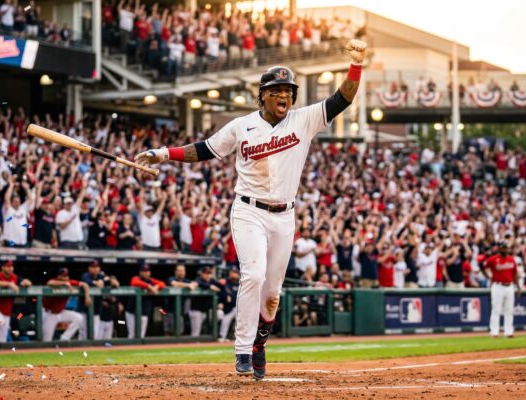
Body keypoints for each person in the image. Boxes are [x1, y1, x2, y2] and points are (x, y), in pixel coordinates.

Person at [135, 38, 367, 379]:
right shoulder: (241, 126)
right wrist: (164, 153)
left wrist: (356, 65)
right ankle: (242, 350)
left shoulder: (303, 120)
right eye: (276, 91)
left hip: (284, 216)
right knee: (253, 275)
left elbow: (343, 98)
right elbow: (205, 150)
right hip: (248, 211)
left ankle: (259, 344)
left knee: (272, 295)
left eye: (288, 90)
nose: (284, 96)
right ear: (263, 95)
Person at [483, 242, 521, 338]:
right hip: (498, 286)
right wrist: (488, 277)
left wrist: (518, 286)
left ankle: (508, 332)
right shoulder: (493, 259)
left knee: (509, 310)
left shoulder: (511, 259)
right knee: (496, 310)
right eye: (503, 248)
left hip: (509, 286)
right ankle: (494, 332)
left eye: (506, 248)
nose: (504, 249)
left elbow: (515, 273)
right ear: (499, 249)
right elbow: (484, 267)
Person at [0, 260, 32, 343]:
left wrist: (26, 283)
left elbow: (28, 283)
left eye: (11, 266)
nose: (10, 268)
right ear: (3, 267)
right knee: (1, 323)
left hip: (7, 311)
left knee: (3, 337)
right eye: (7, 266)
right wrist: (9, 284)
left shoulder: (14, 277)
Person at [42, 267, 89, 342]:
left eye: (66, 276)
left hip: (61, 312)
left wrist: (87, 296)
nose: (65, 277)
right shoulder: (55, 281)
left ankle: (64, 338)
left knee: (79, 318)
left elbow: (84, 284)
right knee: (46, 340)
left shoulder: (70, 282)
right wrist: (64, 283)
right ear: (59, 276)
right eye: (63, 276)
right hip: (49, 314)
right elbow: (50, 283)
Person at [79, 260, 119, 339]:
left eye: (97, 267)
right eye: (93, 267)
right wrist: (95, 283)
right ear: (89, 268)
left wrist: (111, 281)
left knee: (95, 336)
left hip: (96, 312)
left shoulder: (101, 276)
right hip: (84, 311)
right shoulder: (86, 275)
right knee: (83, 334)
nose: (95, 269)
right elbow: (86, 281)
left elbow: (114, 283)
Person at [126, 263, 164, 338]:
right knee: (132, 335)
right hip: (132, 312)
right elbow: (134, 282)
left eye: (147, 271)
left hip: (144, 312)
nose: (146, 273)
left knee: (141, 335)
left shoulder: (151, 280)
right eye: (144, 271)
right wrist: (149, 287)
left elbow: (162, 283)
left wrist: (156, 286)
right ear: (140, 272)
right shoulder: (136, 278)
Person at [164, 264, 197, 335]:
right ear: (175, 272)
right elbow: (173, 283)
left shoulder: (186, 280)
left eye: (183, 270)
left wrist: (192, 284)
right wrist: (188, 285)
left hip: (180, 312)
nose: (182, 272)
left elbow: (195, 283)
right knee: (169, 332)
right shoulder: (171, 278)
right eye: (179, 270)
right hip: (168, 311)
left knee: (179, 332)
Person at [189, 266, 221, 337]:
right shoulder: (198, 279)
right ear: (202, 274)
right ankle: (191, 345)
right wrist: (210, 287)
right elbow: (198, 283)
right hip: (195, 310)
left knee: (201, 330)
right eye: (206, 273)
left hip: (204, 311)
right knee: (196, 332)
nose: (208, 275)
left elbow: (221, 286)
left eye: (209, 273)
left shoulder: (211, 280)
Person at [218, 267, 240, 342]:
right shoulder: (226, 282)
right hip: (229, 307)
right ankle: (222, 336)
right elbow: (220, 291)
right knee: (225, 321)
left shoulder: (241, 282)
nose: (232, 274)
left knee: (240, 323)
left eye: (234, 273)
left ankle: (240, 338)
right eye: (231, 273)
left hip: (239, 307)